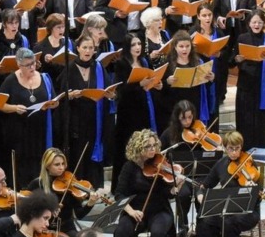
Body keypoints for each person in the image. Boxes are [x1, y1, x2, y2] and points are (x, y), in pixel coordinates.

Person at [114, 130, 179, 237]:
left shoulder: (159, 163)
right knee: (122, 231)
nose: (153, 149)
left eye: (154, 145)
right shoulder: (129, 167)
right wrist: (131, 212)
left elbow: (168, 194)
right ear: (138, 148)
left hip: (159, 210)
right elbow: (119, 194)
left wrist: (175, 187)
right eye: (148, 146)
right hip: (135, 211)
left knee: (158, 232)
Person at [197, 131, 262, 237]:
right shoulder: (221, 164)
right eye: (230, 148)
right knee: (203, 221)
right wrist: (200, 193)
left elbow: (258, 195)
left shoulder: (249, 163)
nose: (234, 152)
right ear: (225, 148)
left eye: (237, 148)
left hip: (248, 212)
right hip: (227, 210)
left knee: (229, 224)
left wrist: (252, 189)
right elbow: (205, 183)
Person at [0, 47, 58, 185]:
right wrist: (14, 107)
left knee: (39, 163)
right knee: (22, 167)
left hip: (40, 130)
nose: (32, 67)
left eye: (34, 63)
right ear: (19, 65)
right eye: (28, 65)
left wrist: (53, 104)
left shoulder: (44, 78)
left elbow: (54, 99)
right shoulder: (10, 81)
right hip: (19, 132)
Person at [63, 33, 115, 187]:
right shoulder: (69, 68)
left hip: (95, 119)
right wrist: (70, 95)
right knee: (78, 154)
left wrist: (110, 95)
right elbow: (60, 95)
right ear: (78, 48)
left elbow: (107, 90)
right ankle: (78, 189)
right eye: (84, 47)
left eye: (91, 48)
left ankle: (94, 189)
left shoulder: (98, 67)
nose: (87, 51)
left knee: (94, 153)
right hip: (76, 121)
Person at [111, 33, 161, 187]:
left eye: (139, 44)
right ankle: (123, 184)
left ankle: (144, 181)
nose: (137, 47)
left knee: (145, 145)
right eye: (133, 45)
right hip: (128, 112)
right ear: (127, 47)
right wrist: (139, 84)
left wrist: (156, 84)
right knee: (127, 146)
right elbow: (120, 90)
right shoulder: (121, 64)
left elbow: (151, 80)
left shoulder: (144, 61)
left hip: (144, 108)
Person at [29, 147, 104, 237]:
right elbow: (29, 211)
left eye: (63, 164)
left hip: (67, 228)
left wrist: (90, 203)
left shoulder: (70, 183)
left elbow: (79, 215)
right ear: (47, 166)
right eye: (57, 165)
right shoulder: (37, 184)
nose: (61, 168)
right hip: (43, 229)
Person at [212, 0, 257, 110]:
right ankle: (220, 94)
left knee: (243, 62)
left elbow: (253, 10)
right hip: (225, 31)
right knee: (222, 63)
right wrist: (220, 19)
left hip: (242, 31)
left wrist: (244, 17)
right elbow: (215, 11)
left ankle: (246, 95)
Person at [232, 10, 265, 152]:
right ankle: (244, 150)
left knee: (261, 121)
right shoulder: (242, 38)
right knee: (245, 120)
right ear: (249, 23)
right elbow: (233, 61)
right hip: (246, 85)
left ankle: (262, 152)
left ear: (264, 23)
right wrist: (237, 59)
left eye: (259, 22)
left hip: (262, 86)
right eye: (254, 22)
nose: (257, 24)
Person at [160, 100, 203, 237]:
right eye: (183, 118)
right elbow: (160, 156)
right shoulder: (169, 134)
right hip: (179, 177)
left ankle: (202, 227)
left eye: (190, 117)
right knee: (183, 194)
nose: (187, 121)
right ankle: (183, 227)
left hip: (198, 175)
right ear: (177, 117)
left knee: (201, 195)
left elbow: (207, 156)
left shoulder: (198, 131)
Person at [163, 29, 215, 131]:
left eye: (187, 46)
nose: (184, 49)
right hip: (176, 104)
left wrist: (211, 79)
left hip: (195, 102)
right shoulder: (168, 63)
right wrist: (167, 82)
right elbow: (162, 88)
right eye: (181, 46)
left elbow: (204, 86)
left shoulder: (198, 61)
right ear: (175, 47)